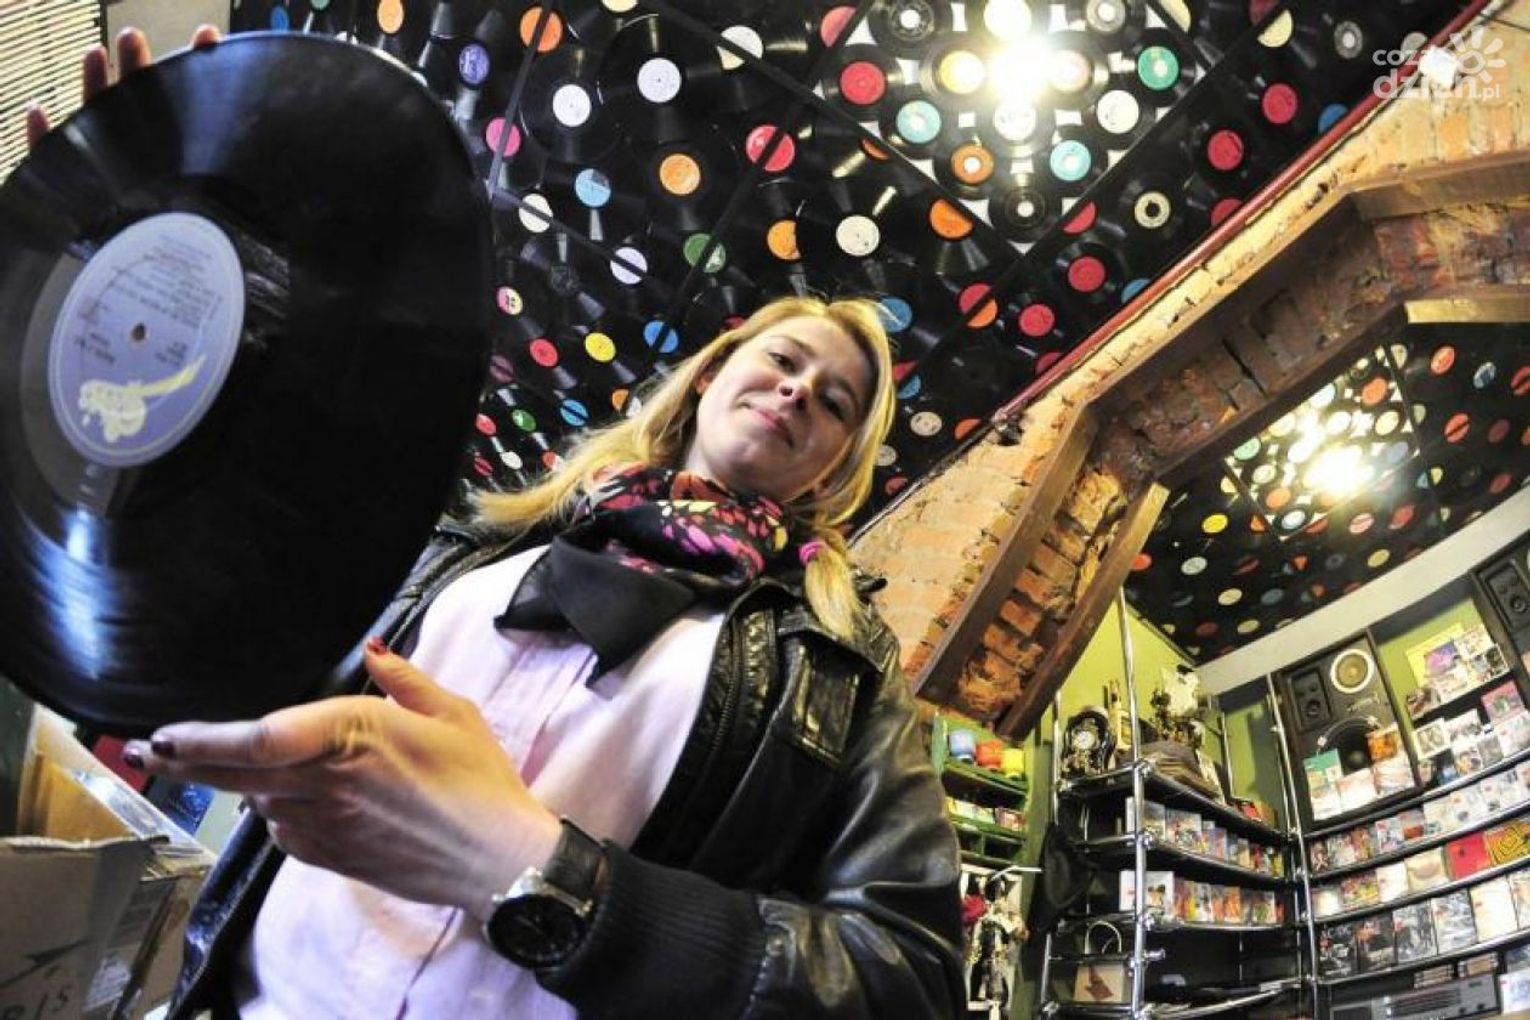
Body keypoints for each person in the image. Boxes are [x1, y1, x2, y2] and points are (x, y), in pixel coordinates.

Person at [31, 29, 966, 1018]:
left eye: (833, 401)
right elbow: (248, 623)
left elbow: (909, 976)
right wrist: (150, 308)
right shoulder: (476, 543)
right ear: (713, 373)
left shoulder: (839, 672)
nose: (798, 391)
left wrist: (539, 869)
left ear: (834, 465)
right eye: (782, 359)